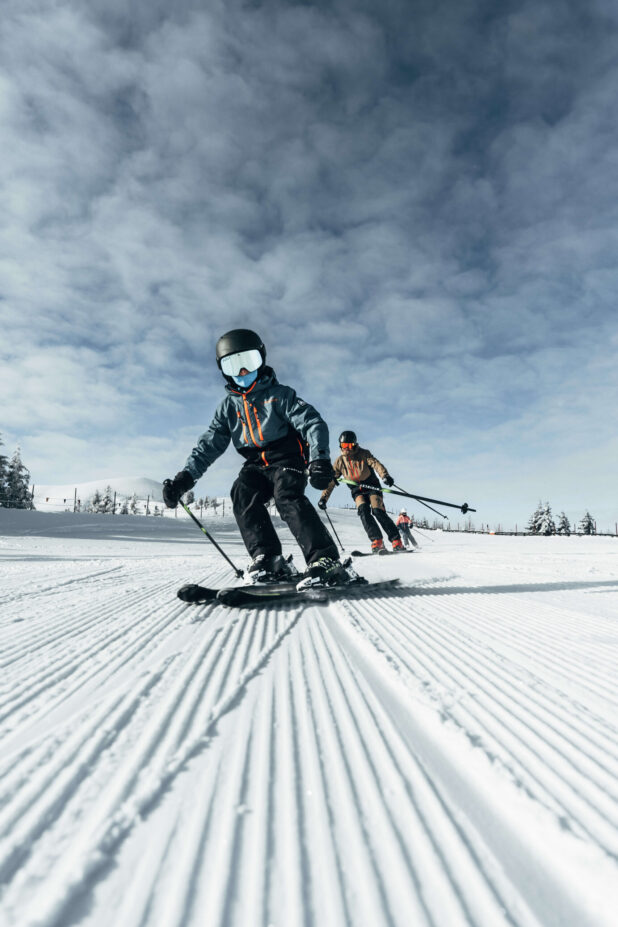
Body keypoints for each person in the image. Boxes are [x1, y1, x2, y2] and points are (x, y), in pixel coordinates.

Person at [162, 329, 357, 589]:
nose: (243, 372)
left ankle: (325, 560)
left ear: (261, 359)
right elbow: (209, 445)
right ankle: (268, 559)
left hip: (286, 458)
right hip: (255, 463)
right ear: (223, 370)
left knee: (286, 495)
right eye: (233, 365)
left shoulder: (280, 395)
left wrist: (318, 458)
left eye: (249, 362)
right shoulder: (228, 408)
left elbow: (312, 422)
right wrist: (185, 478)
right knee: (242, 493)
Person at [318, 431, 404, 553]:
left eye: (348, 446)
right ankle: (377, 541)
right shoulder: (339, 462)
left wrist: (385, 476)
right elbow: (331, 481)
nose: (346, 449)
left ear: (354, 444)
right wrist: (323, 498)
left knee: (377, 511)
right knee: (363, 511)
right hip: (357, 490)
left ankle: (397, 541)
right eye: (343, 446)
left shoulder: (364, 453)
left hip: (372, 487)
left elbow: (375, 464)